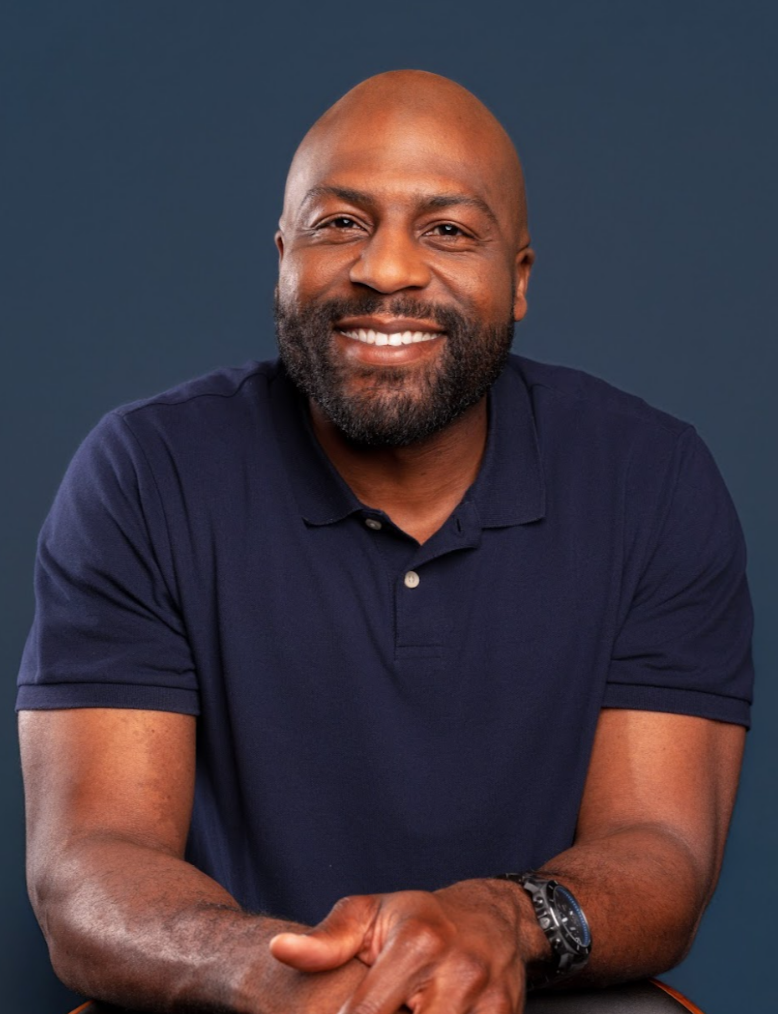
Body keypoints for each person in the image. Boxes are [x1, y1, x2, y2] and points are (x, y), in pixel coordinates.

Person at [17, 70, 753, 1014]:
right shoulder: (145, 473)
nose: (388, 269)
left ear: (519, 279)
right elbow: (88, 865)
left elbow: (663, 851)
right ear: (282, 257)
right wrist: (278, 975)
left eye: (447, 230)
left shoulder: (653, 478)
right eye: (339, 223)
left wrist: (502, 920)